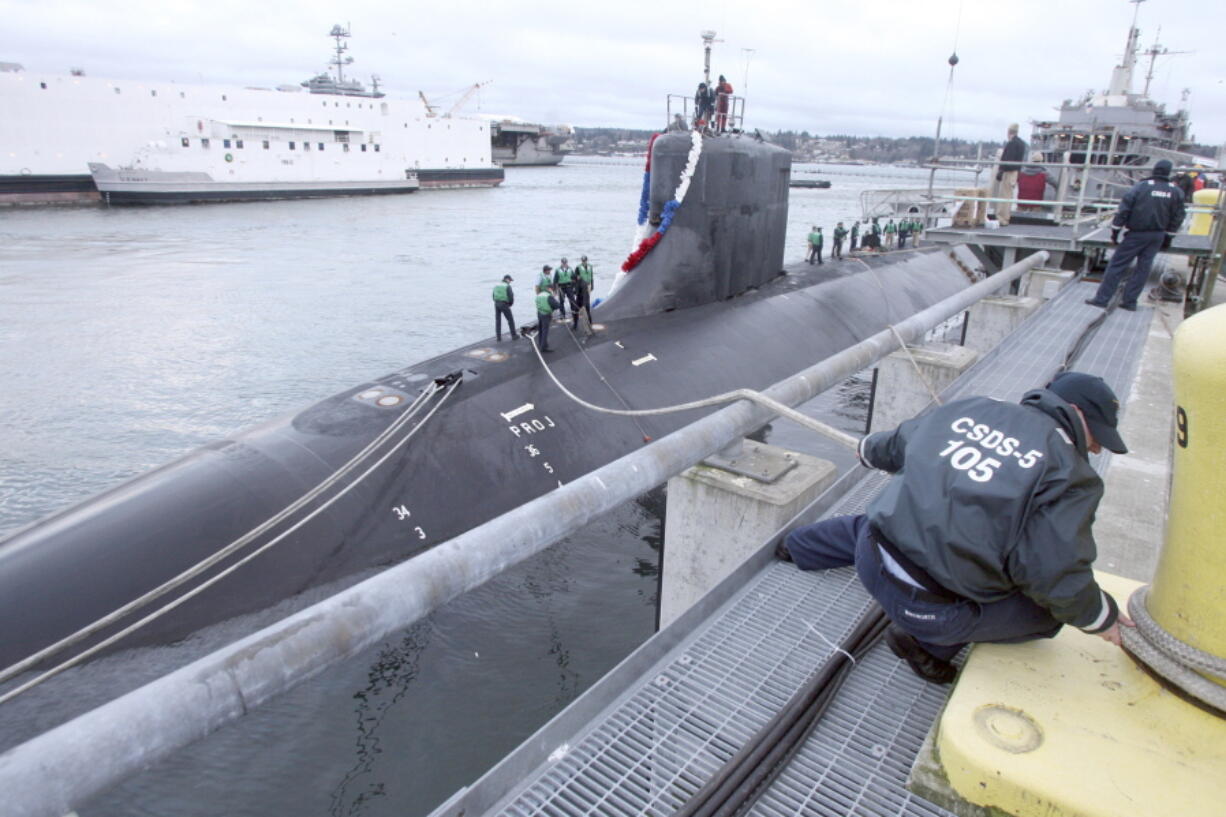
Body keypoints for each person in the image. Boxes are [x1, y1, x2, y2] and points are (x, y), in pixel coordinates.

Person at [778, 372, 1133, 684]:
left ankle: (797, 547)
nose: (1097, 447)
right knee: (1045, 615)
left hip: (870, 555)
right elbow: (1053, 574)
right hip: (931, 609)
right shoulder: (1072, 475)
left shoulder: (971, 407)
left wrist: (870, 449)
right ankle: (925, 645)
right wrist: (1101, 618)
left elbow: (898, 443)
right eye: (1097, 436)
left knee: (882, 521)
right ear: (1078, 413)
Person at [1085, 159, 1186, 312]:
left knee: (1117, 265)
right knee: (1143, 269)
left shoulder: (1141, 187)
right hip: (1157, 236)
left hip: (1136, 234)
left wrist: (1115, 231)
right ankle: (1130, 302)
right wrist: (1168, 237)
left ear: (1154, 170)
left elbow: (1124, 209)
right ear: (1168, 172)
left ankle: (1102, 299)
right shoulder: (1175, 191)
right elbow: (1178, 217)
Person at [995, 123, 1027, 226]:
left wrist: (1001, 170)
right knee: (1009, 196)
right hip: (1015, 172)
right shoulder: (1021, 143)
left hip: (1009, 172)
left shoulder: (1012, 143)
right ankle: (1006, 217)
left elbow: (1008, 159)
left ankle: (1001, 218)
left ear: (1009, 132)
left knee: (1004, 195)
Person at [533, 285, 560, 353]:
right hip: (546, 315)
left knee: (541, 329)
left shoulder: (540, 294)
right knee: (545, 331)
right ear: (550, 289)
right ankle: (543, 347)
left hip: (539, 313)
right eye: (553, 291)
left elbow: (536, 302)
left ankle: (540, 342)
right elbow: (557, 305)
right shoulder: (549, 296)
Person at [492, 274, 517, 342]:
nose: (510, 282)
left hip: (496, 303)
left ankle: (498, 337)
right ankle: (514, 336)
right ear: (506, 279)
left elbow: (493, 295)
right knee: (510, 320)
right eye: (510, 280)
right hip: (504, 304)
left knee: (498, 321)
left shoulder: (497, 285)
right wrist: (510, 304)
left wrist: (496, 302)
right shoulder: (507, 286)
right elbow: (511, 297)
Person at [573, 255, 595, 328]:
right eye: (583, 261)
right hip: (581, 286)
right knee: (580, 305)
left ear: (586, 260)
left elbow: (591, 276)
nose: (584, 262)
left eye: (585, 261)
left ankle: (590, 322)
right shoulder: (578, 267)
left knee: (586, 303)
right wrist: (577, 278)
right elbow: (574, 277)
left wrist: (592, 285)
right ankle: (575, 324)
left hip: (587, 285)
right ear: (581, 261)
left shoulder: (590, 266)